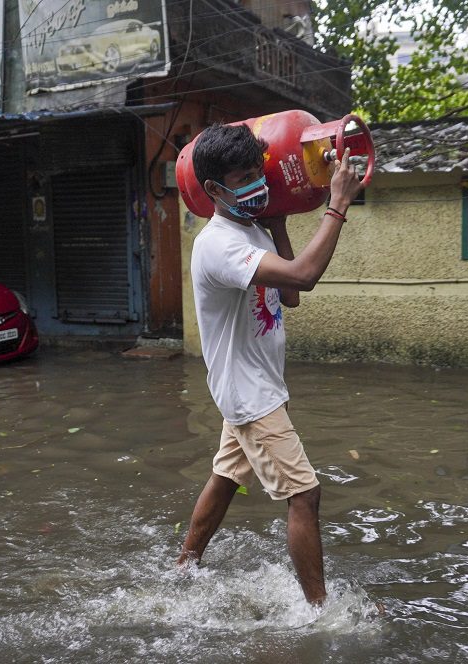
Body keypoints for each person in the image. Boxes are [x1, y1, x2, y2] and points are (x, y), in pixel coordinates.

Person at [176, 122, 366, 606]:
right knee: (305, 495)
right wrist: (337, 204)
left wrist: (278, 220)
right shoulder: (218, 243)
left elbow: (288, 298)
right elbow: (303, 277)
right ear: (215, 190)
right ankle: (319, 611)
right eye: (242, 177)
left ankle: (184, 567)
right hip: (249, 393)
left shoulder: (254, 228)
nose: (255, 183)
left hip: (250, 384)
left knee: (225, 478)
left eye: (256, 172)